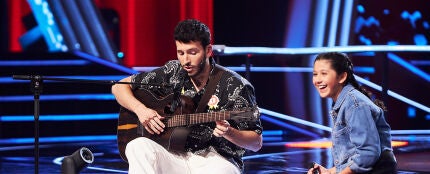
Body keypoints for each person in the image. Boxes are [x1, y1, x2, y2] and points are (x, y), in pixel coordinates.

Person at [112, 19, 263, 174]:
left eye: (193, 52)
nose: (186, 61)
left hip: (217, 160)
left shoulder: (236, 85)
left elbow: (256, 143)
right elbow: (119, 87)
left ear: (208, 50)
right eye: (180, 53)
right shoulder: (173, 71)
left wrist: (229, 132)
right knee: (137, 145)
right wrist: (141, 110)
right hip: (174, 155)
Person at [308, 52, 397, 174]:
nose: (317, 80)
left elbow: (368, 153)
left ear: (342, 77)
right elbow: (353, 158)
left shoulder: (354, 104)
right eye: (315, 74)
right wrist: (329, 172)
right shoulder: (344, 102)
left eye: (324, 74)